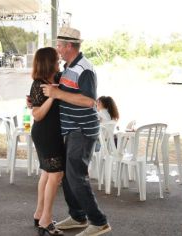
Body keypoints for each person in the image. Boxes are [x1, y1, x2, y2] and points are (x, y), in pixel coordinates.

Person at [41, 27, 111, 236]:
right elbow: (60, 93)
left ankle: (99, 222)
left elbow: (89, 100)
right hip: (71, 130)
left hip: (82, 130)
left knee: (76, 176)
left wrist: (58, 93)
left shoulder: (84, 69)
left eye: (60, 45)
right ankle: (78, 216)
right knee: (69, 176)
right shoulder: (69, 67)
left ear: (70, 46)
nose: (58, 49)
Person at [29, 47, 65, 236]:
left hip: (54, 133)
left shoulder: (57, 79)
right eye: (56, 59)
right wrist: (52, 97)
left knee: (47, 174)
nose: (59, 61)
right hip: (45, 133)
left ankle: (39, 214)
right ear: (48, 62)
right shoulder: (38, 84)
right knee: (56, 175)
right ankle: (46, 220)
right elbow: (37, 115)